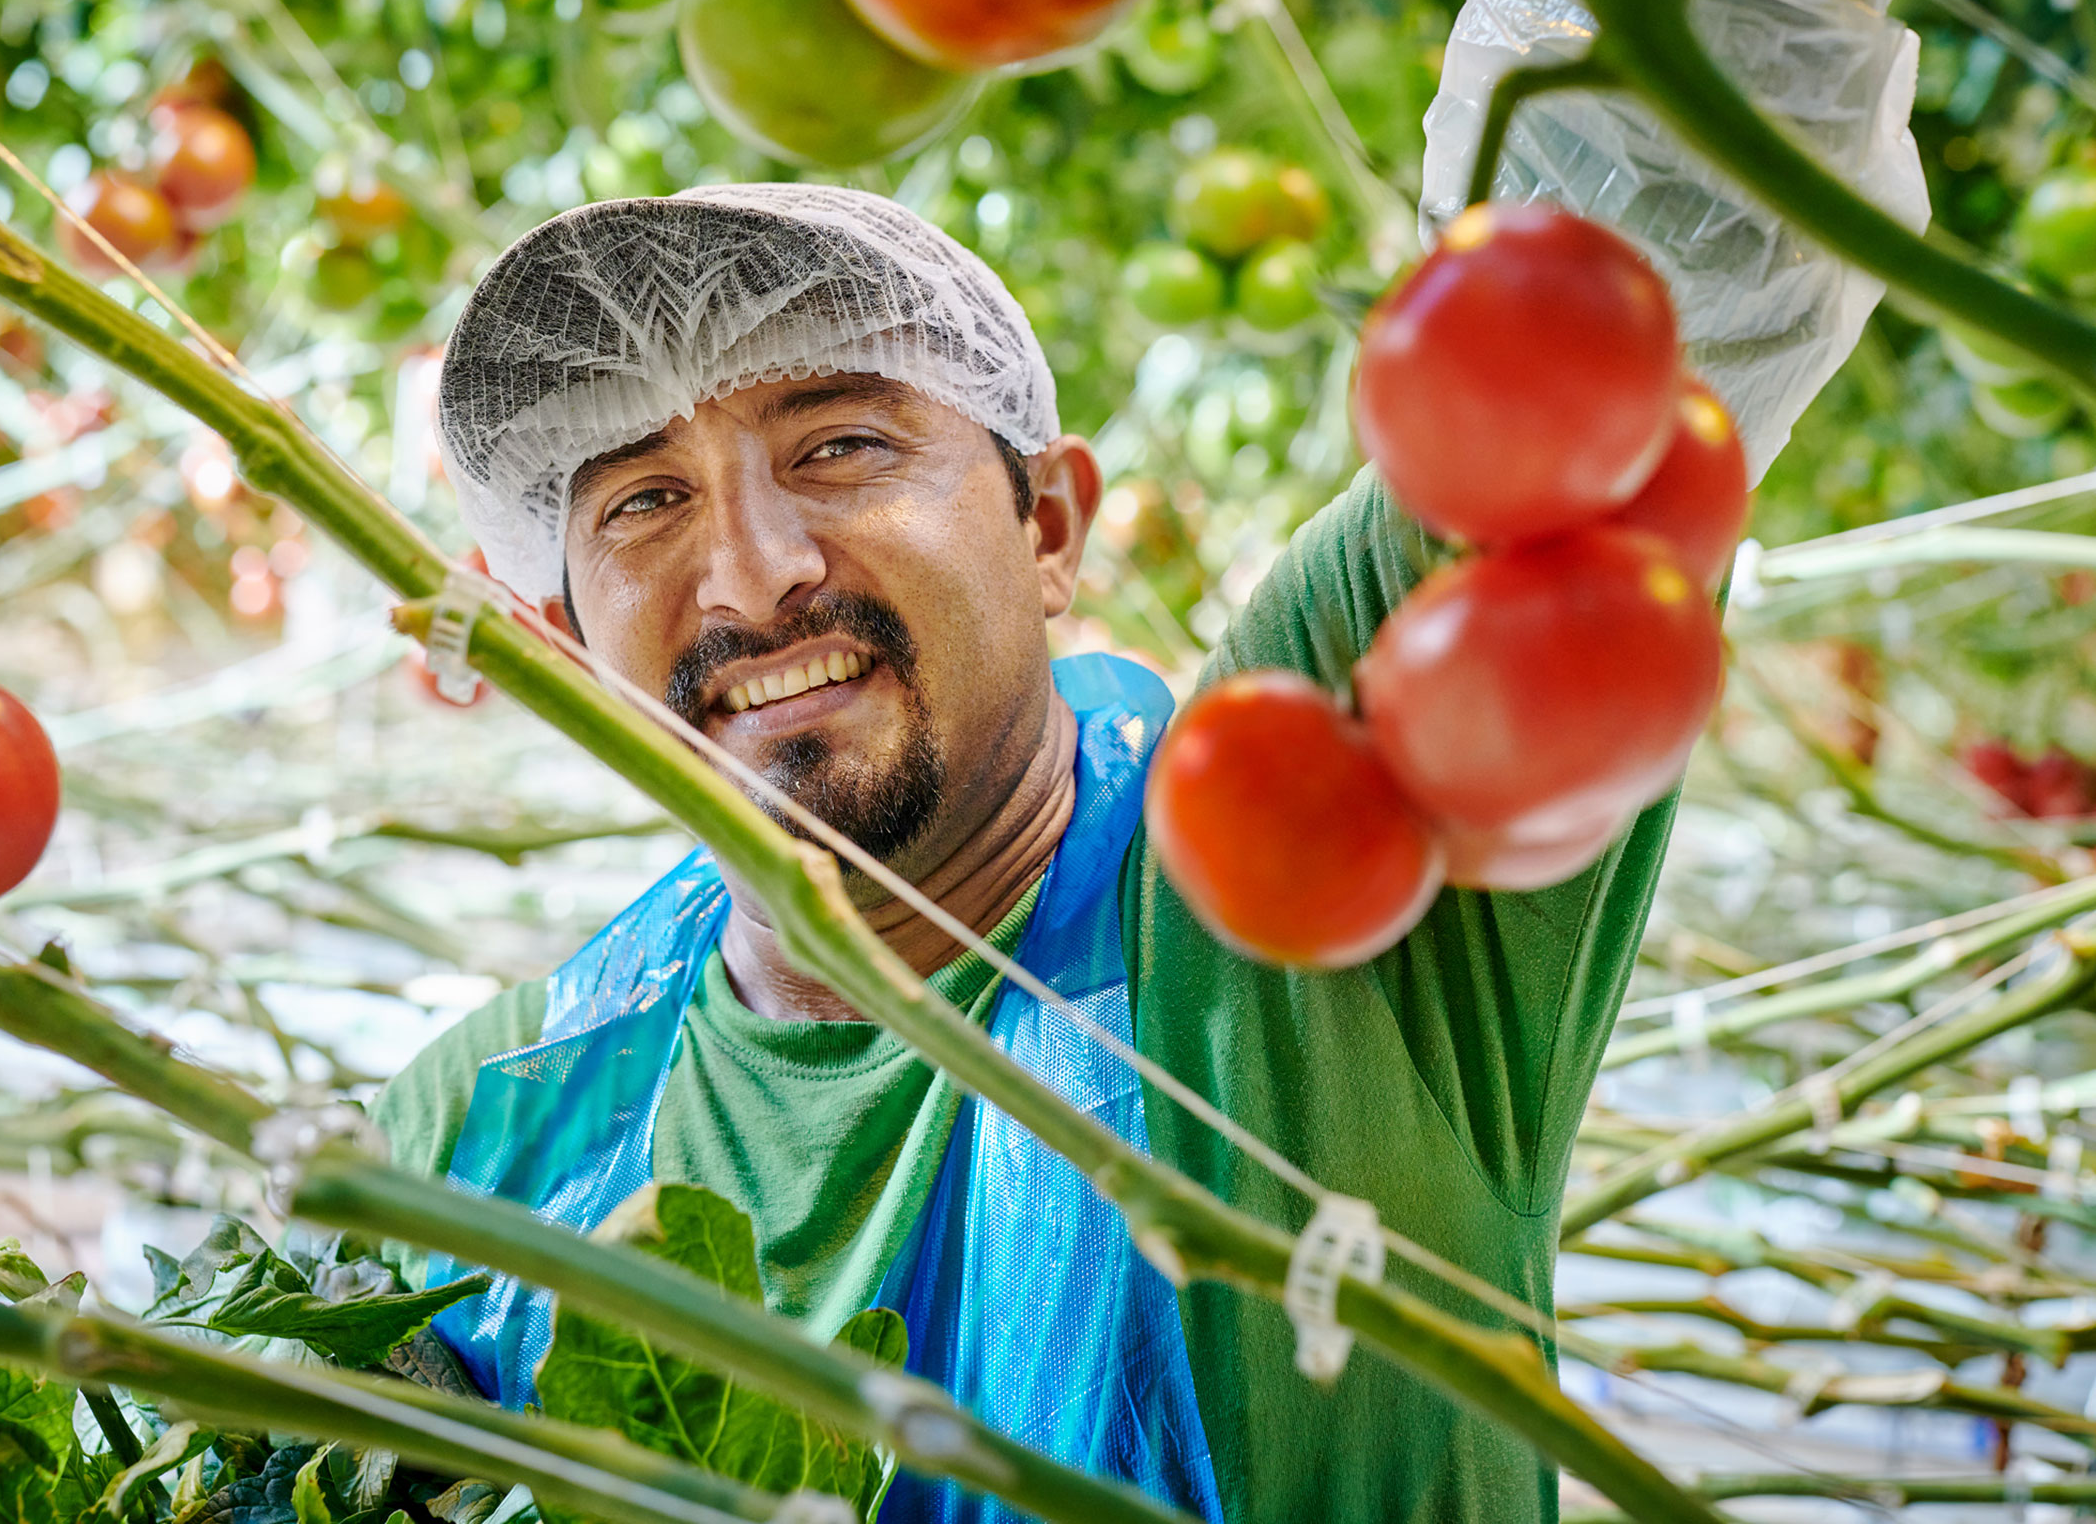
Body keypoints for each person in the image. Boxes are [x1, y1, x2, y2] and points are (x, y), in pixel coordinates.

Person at [372, 180, 1687, 1523]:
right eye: (644, 501)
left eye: (838, 447)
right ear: (572, 644)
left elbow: (1637, 273)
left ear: (1047, 526)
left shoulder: (1295, 861)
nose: (753, 574)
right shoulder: (477, 1125)